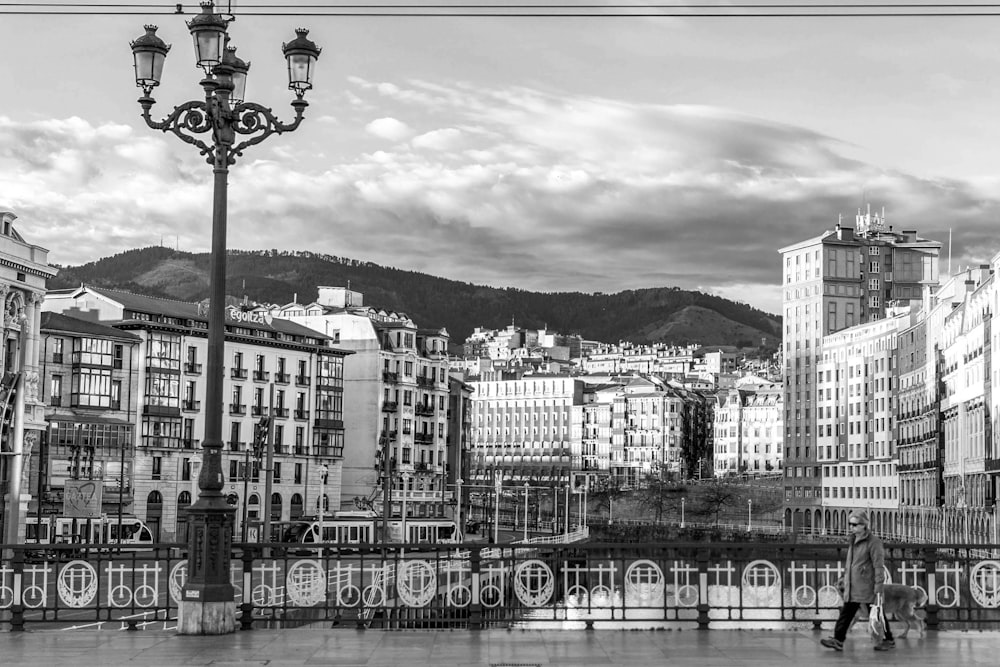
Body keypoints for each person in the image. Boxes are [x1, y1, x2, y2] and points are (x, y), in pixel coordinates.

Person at [821, 510, 895, 652]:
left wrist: (878, 586)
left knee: (876, 614)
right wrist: (845, 577)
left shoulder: (874, 542)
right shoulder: (853, 540)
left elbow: (878, 566)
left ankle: (888, 639)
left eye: (854, 524)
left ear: (863, 525)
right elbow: (852, 563)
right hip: (854, 584)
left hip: (867, 586)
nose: (851, 527)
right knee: (847, 613)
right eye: (850, 524)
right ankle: (838, 639)